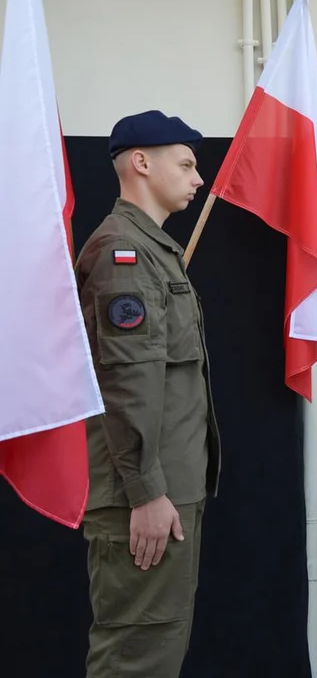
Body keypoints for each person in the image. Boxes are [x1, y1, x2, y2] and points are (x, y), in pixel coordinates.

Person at [75, 110, 222, 678]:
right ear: (141, 163)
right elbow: (127, 382)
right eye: (185, 164)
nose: (197, 178)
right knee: (137, 654)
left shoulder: (150, 250)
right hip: (148, 493)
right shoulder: (124, 256)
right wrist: (145, 493)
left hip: (166, 488)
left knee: (157, 645)